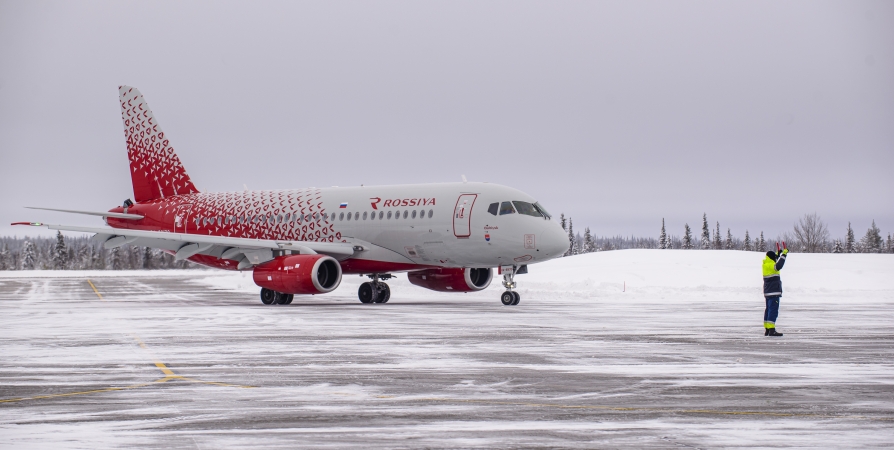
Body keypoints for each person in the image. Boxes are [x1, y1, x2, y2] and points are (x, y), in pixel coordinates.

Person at [762, 243, 788, 336]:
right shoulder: (772, 265)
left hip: (768, 292)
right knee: (773, 310)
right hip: (773, 292)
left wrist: (778, 254)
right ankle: (772, 329)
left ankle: (767, 329)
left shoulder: (766, 264)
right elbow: (779, 265)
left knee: (768, 310)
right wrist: (784, 254)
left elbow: (774, 260)